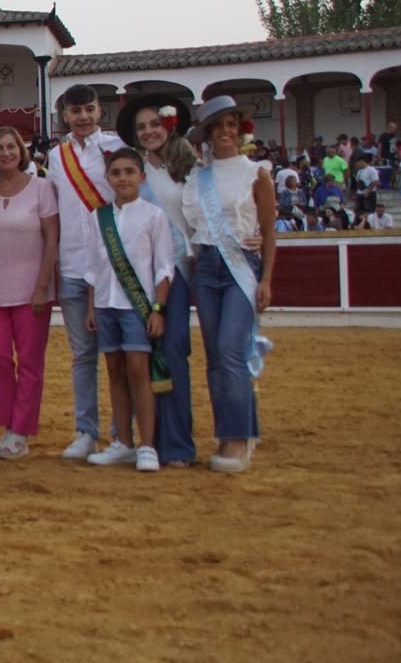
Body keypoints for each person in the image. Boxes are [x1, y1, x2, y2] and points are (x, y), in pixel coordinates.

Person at [183, 96, 276, 474]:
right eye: (217, 126)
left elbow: (269, 230)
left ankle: (238, 438)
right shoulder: (197, 176)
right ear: (207, 134)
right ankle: (227, 434)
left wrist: (267, 278)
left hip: (241, 265)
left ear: (240, 129)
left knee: (231, 352)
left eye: (231, 125)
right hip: (206, 267)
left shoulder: (258, 173)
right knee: (216, 358)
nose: (225, 132)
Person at [45, 84, 127, 460]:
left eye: (88, 109)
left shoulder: (116, 149)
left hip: (112, 265)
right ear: (65, 115)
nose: (82, 117)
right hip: (72, 264)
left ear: (99, 111)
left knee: (118, 353)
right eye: (75, 111)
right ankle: (85, 431)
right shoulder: (56, 156)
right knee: (82, 355)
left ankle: (121, 433)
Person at [119, 93, 200, 466]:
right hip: (139, 274)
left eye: (154, 123)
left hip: (180, 271)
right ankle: (148, 441)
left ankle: (178, 444)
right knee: (142, 356)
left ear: (169, 124)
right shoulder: (132, 171)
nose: (149, 131)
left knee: (172, 351)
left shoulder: (192, 167)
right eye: (141, 127)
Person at [83, 148, 174, 473]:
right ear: (108, 178)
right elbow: (94, 266)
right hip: (106, 305)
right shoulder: (98, 217)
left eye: (129, 172)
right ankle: (123, 441)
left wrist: (157, 310)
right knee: (115, 373)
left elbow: (164, 267)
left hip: (137, 306)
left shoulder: (154, 216)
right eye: (116, 173)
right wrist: (92, 307)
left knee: (139, 373)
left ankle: (147, 444)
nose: (122, 178)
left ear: (141, 177)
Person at [0, 125, 59, 459]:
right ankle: (8, 423)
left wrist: (42, 284)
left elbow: (52, 238)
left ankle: (21, 430)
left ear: (21, 152)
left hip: (32, 288)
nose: (6, 153)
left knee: (31, 363)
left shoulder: (42, 188)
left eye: (11, 147)